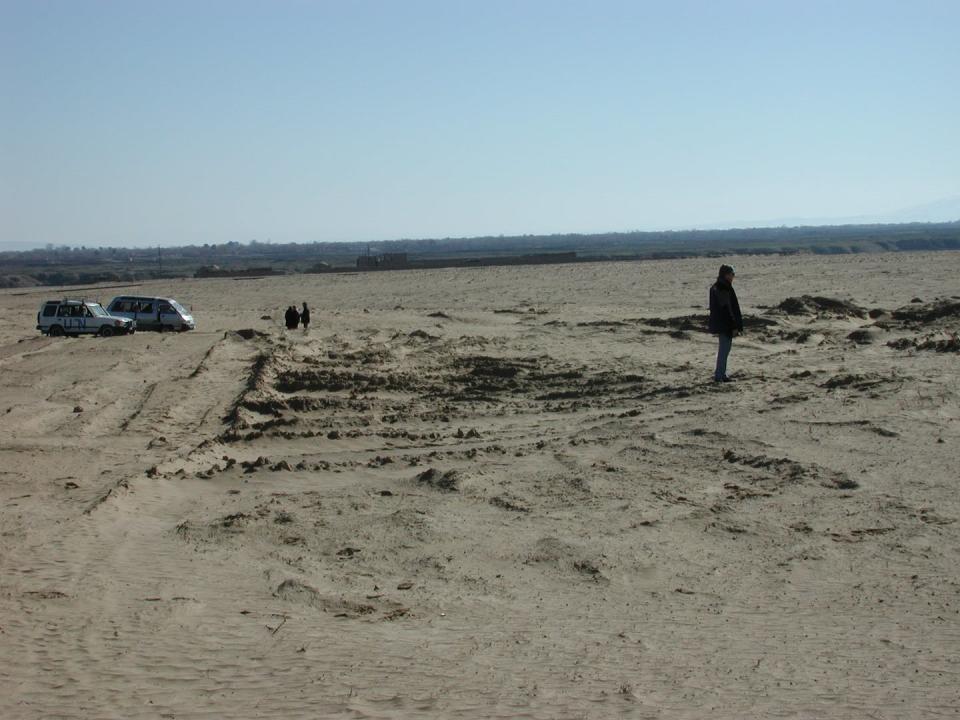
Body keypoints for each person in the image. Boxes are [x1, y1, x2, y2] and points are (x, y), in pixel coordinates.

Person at [708, 264, 743, 383]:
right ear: (726, 275)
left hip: (724, 324)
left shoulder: (722, 286)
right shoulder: (721, 288)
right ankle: (719, 375)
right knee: (724, 350)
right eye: (731, 274)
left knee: (725, 350)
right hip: (724, 325)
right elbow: (726, 309)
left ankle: (722, 374)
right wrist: (733, 325)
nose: (733, 276)